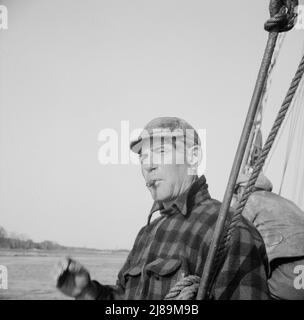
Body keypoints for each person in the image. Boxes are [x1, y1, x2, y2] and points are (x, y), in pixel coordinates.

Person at [55, 117, 269, 300]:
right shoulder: (146, 234)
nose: (148, 165)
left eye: (160, 152)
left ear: (193, 158)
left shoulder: (229, 232)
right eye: (143, 157)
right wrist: (86, 291)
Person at [232, 172, 304, 300]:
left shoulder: (250, 202)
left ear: (242, 189)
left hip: (283, 272)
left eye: (236, 193)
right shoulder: (289, 203)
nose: (236, 198)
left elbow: (231, 236)